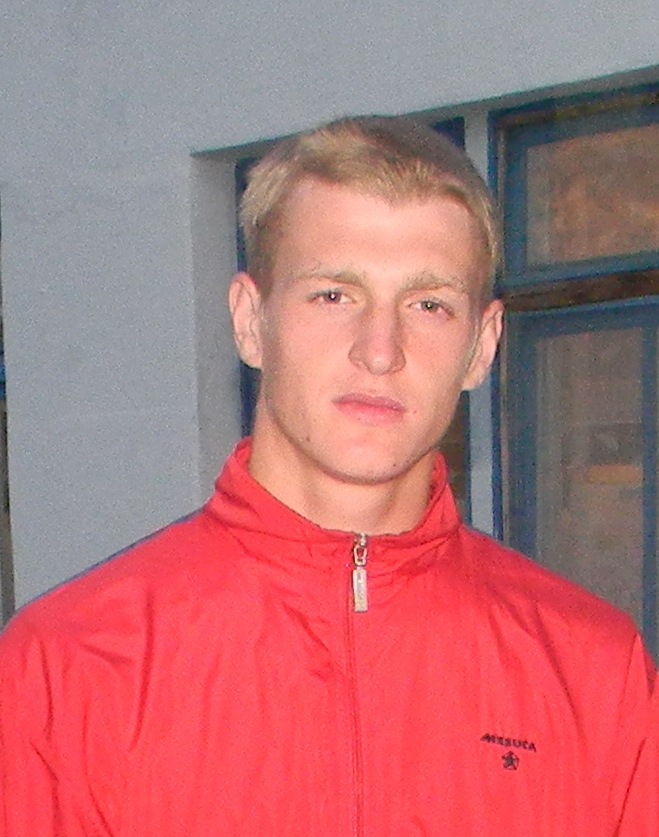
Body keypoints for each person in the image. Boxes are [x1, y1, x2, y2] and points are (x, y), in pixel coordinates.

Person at [0, 116, 656, 836]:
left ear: (481, 345)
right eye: (333, 295)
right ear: (251, 320)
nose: (380, 350)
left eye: (429, 305)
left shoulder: (592, 671)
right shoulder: (69, 665)